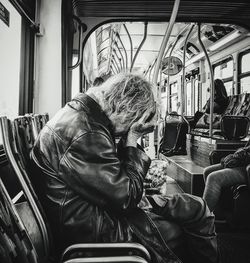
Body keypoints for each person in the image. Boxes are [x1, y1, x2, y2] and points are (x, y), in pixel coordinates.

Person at [31, 73, 218, 263]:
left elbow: (112, 180)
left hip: (95, 212)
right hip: (97, 228)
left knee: (196, 207)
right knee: (187, 222)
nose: (128, 129)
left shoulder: (83, 118)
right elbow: (127, 197)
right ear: (126, 109)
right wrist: (132, 138)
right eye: (132, 121)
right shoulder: (87, 133)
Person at [203, 140, 250, 212]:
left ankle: (203, 219)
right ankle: (217, 212)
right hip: (244, 162)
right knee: (207, 171)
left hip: (247, 167)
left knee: (213, 178)